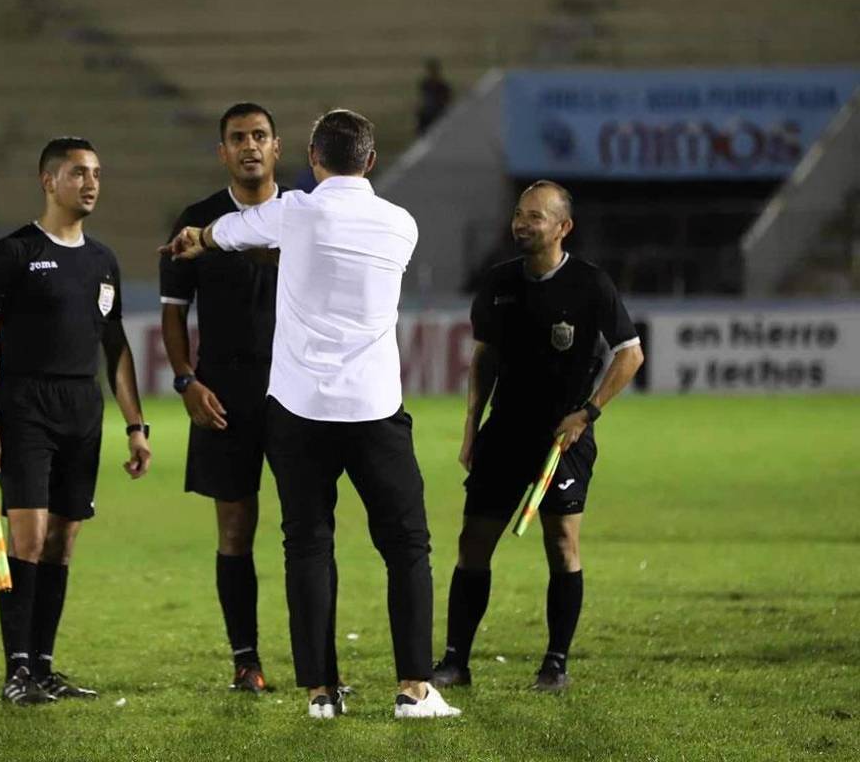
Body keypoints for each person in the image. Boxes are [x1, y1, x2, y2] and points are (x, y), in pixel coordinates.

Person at [163, 109, 459, 720]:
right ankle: (414, 688)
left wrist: (199, 238)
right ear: (371, 161)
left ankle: (322, 692)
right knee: (406, 547)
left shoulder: (294, 211)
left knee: (307, 545)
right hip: (375, 408)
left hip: (298, 411)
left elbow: (228, 233)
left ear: (312, 159)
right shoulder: (401, 224)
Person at [432, 180, 644, 693]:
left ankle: (555, 664)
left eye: (535, 217)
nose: (521, 224)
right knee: (472, 542)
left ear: (563, 227)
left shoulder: (591, 285)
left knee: (562, 545)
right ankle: (455, 663)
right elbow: (484, 358)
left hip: (562, 440)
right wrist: (469, 431)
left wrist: (587, 413)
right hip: (504, 434)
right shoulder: (499, 283)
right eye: (519, 214)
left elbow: (630, 354)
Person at [0, 137, 152, 705]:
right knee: (28, 537)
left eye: (96, 172)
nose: (91, 182)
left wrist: (136, 425)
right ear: (49, 181)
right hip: (25, 407)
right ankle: (16, 672)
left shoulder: (102, 261)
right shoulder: (13, 253)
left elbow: (114, 346)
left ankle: (44, 668)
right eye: (78, 173)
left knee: (63, 544)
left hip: (83, 409)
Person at [159, 102, 285, 694]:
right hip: (223, 395)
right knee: (235, 530)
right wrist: (186, 381)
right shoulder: (196, 219)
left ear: (277, 147)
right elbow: (173, 316)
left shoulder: (301, 216)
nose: (249, 146)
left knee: (310, 527)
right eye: (238, 138)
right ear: (223, 152)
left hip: (294, 394)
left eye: (259, 135)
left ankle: (317, 663)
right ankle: (246, 659)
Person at [416, 58, 454, 135]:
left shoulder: (442, 86)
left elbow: (447, 100)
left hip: (438, 111)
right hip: (428, 112)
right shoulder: (425, 84)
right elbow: (423, 98)